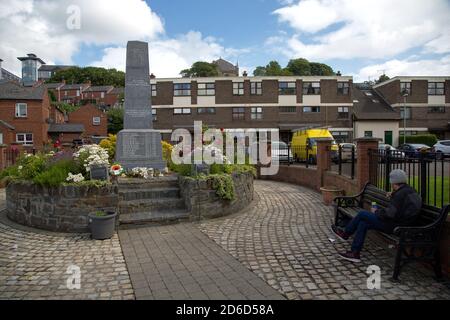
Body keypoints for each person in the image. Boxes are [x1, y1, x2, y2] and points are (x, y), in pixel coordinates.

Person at [331, 169, 422, 263]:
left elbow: (390, 214)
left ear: (393, 182)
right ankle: (355, 253)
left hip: (397, 227)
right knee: (363, 223)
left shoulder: (399, 195)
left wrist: (377, 211)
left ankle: (345, 234)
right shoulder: (409, 190)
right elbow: (401, 207)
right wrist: (393, 194)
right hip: (404, 224)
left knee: (362, 214)